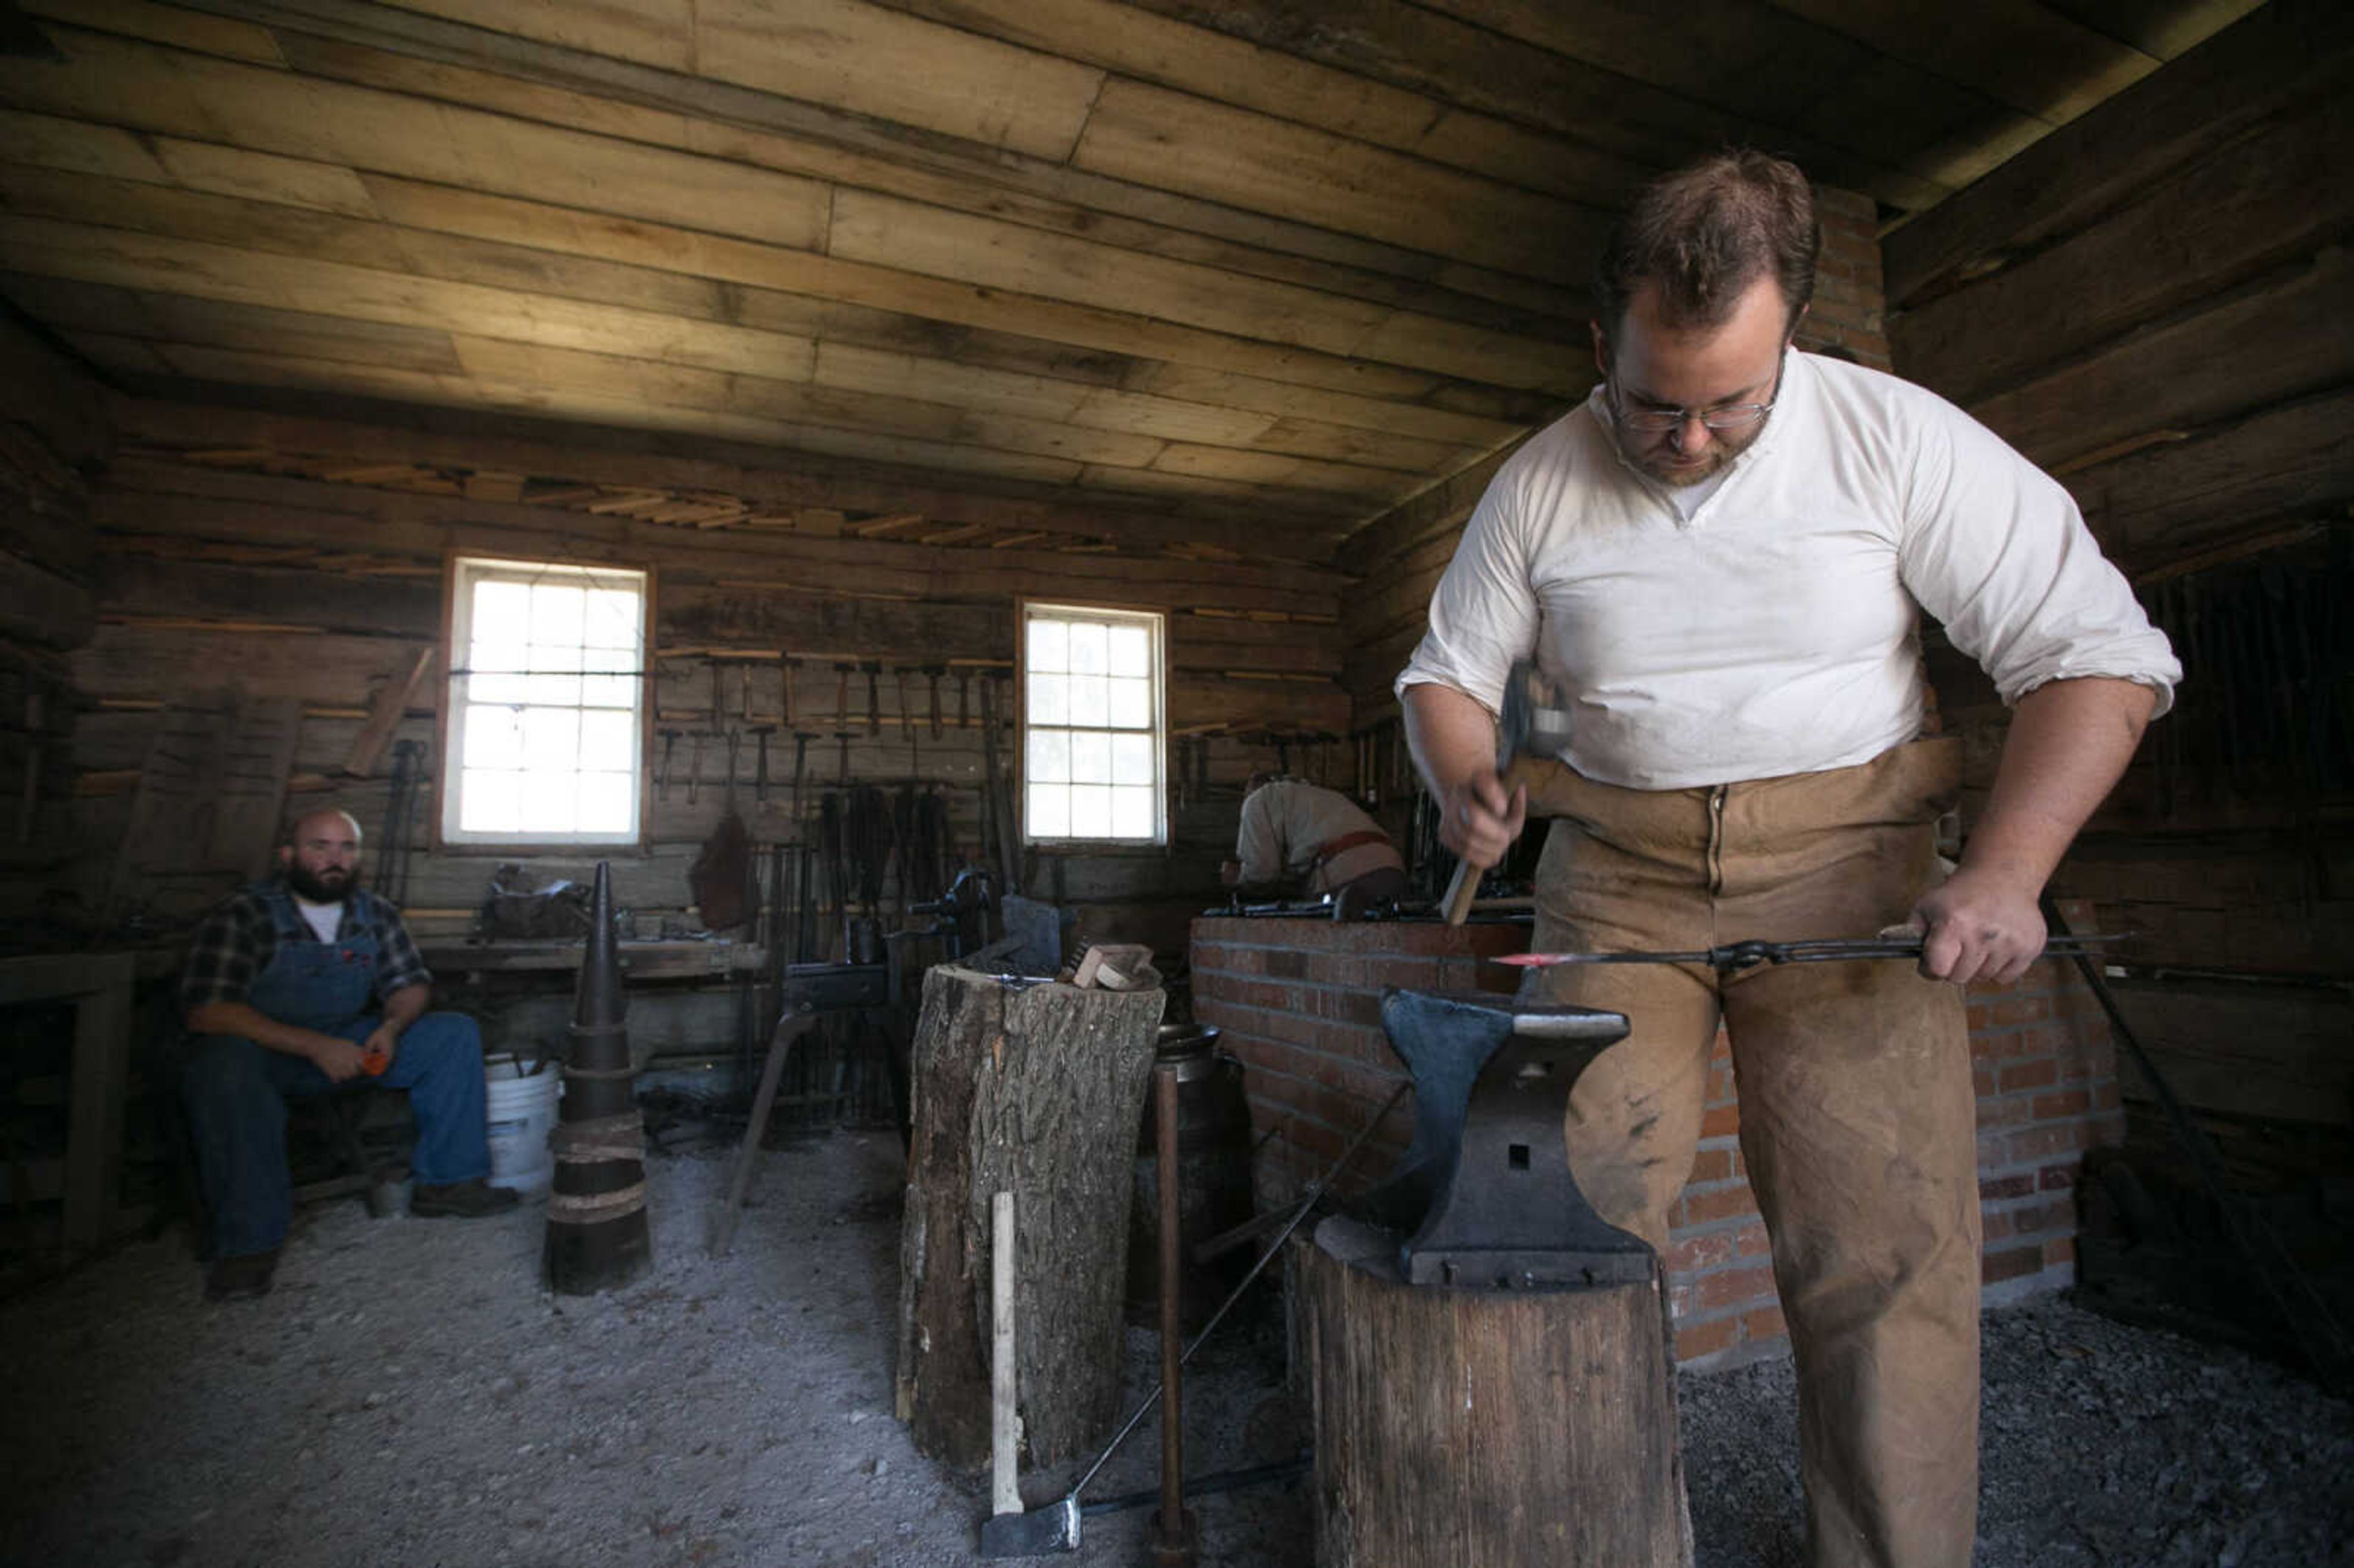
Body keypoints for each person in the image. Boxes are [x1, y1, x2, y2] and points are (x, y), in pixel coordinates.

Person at [1398, 151, 2178, 1568]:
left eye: (1728, 405)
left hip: (1851, 871)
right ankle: (1586, 1538)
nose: (1685, 439)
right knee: (1562, 1219)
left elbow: (2096, 655)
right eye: (1652, 404)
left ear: (1791, 342)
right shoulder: (1538, 481)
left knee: (1881, 1249)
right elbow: (1444, 674)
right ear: (1600, 347)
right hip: (1614, 878)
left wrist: (2005, 868)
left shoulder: (1895, 440)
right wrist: (1463, 779)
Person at [181, 808, 518, 1301]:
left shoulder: (373, 912)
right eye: (320, 847)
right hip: (265, 1053)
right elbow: (207, 1011)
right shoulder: (245, 914)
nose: (333, 860)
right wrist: (314, 1047)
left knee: (452, 1035)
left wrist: (391, 1026)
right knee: (221, 1068)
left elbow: (410, 986)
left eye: (346, 849)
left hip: (349, 1041)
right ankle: (249, 1244)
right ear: (289, 855)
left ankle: (449, 1182)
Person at [1221, 772, 1407, 914]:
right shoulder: (1317, 796)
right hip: (1392, 868)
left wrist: (1237, 878)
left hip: (1345, 877)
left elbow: (1261, 873)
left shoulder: (1257, 800)